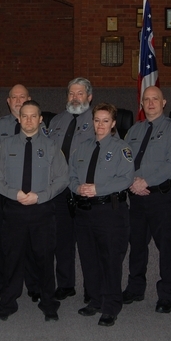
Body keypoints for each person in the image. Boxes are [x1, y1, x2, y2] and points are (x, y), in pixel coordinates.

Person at [0, 100, 68, 322]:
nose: (29, 120)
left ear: (41, 119)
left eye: (34, 116)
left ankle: (49, 304)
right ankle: (7, 303)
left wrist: (41, 196)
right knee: (11, 258)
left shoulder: (52, 146)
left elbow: (63, 178)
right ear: (19, 118)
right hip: (13, 210)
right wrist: (13, 193)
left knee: (44, 259)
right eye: (25, 116)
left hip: (42, 210)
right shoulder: (6, 145)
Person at [69, 103, 134, 327]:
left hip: (110, 211)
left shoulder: (121, 149)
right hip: (84, 210)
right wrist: (77, 188)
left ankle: (111, 306)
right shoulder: (81, 148)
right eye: (97, 120)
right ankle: (95, 300)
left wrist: (98, 188)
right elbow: (71, 176)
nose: (100, 125)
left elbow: (126, 178)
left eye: (105, 121)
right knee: (89, 259)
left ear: (114, 123)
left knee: (110, 260)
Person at [123, 86, 171, 313]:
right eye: (146, 99)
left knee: (165, 246)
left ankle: (166, 295)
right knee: (137, 244)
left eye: (155, 99)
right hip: (136, 197)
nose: (150, 103)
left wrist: (145, 181)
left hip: (161, 197)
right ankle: (135, 289)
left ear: (164, 102)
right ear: (141, 104)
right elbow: (124, 161)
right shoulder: (133, 131)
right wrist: (131, 182)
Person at [0, 84, 44, 302]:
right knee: (6, 244)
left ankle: (34, 285)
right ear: (8, 101)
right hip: (6, 196)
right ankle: (7, 286)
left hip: (34, 195)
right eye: (14, 97)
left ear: (29, 99)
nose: (18, 100)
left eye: (23, 97)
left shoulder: (41, 126)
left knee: (32, 242)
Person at [48, 77, 94, 302]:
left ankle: (91, 289)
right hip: (59, 189)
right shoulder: (56, 121)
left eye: (80, 93)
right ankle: (65, 284)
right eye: (71, 94)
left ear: (89, 97)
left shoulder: (98, 121)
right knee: (62, 240)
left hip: (84, 189)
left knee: (88, 242)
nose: (75, 98)